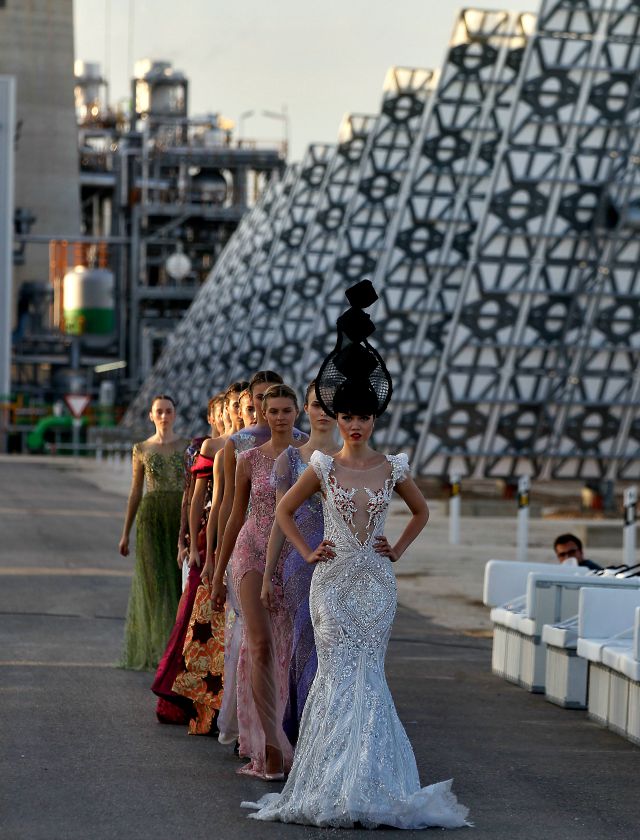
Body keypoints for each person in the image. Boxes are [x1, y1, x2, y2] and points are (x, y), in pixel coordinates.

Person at [243, 281, 469, 829]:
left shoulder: (394, 467)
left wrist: (400, 548)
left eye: (363, 417)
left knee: (369, 675)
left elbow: (421, 512)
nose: (355, 424)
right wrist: (307, 549)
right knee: (335, 676)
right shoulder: (321, 468)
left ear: (373, 420)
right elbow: (282, 512)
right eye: (348, 416)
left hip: (375, 584)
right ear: (338, 420)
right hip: (332, 582)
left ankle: (368, 781)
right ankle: (330, 780)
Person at [212, 384, 303, 779]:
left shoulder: (311, 456)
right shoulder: (247, 457)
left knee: (289, 650)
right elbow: (233, 513)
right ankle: (268, 745)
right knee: (260, 645)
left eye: (287, 410)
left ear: (296, 412)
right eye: (273, 410)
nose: (280, 416)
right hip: (250, 551)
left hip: (293, 556)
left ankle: (293, 737)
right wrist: (216, 572)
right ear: (263, 414)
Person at [261, 379, 339, 745]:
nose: (322, 412)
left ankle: (336, 733)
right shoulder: (289, 460)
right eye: (315, 404)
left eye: (329, 405)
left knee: (338, 648)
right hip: (300, 566)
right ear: (305, 410)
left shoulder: (350, 460)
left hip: (344, 567)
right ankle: (307, 736)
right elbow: (281, 518)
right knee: (305, 645)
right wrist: (267, 574)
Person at [171, 380, 249, 734]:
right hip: (215, 537)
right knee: (209, 625)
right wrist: (190, 541)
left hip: (249, 541)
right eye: (234, 406)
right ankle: (209, 704)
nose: (234, 412)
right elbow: (202, 499)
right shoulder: (218, 449)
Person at [151, 395, 219, 723]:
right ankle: (193, 696)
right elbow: (191, 497)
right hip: (203, 540)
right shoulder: (202, 448)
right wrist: (186, 540)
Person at [119, 395, 189, 671]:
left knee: (176, 579)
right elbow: (136, 491)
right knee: (154, 581)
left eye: (168, 411)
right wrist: (125, 532)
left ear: (175, 414)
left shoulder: (186, 446)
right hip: (150, 515)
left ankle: (175, 647)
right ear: (151, 415)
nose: (163, 416)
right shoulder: (141, 448)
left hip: (179, 513)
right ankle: (156, 646)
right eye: (159, 411)